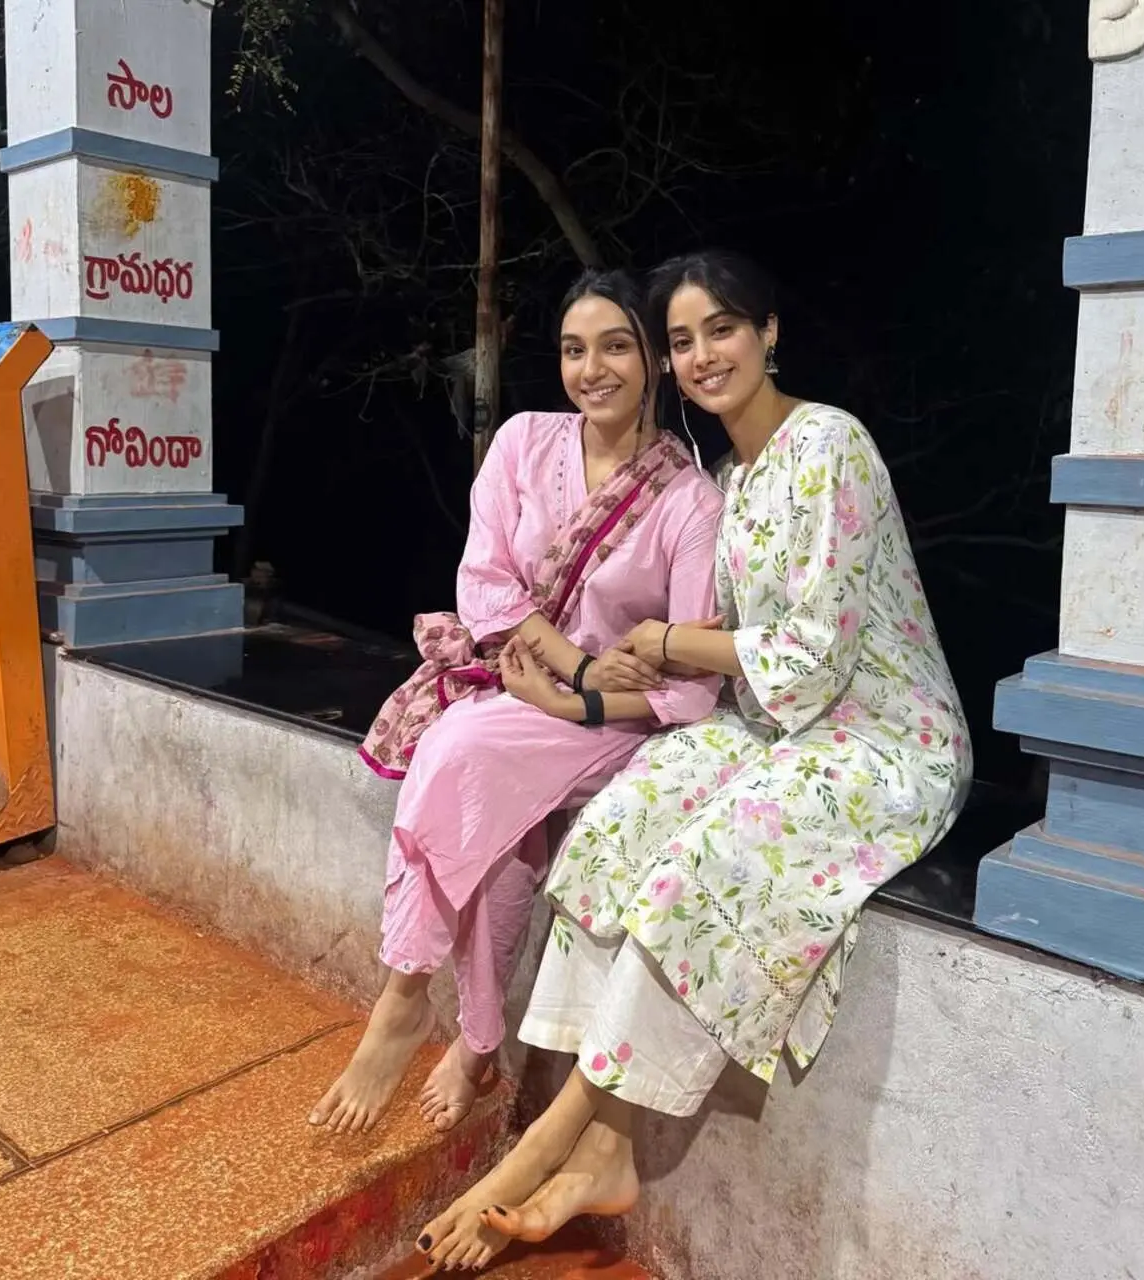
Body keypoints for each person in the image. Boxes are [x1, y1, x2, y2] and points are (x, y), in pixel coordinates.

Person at [413, 250, 972, 1272]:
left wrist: (666, 643)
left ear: (768, 333)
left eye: (721, 327)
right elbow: (741, 664)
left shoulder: (830, 446)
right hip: (775, 724)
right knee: (623, 821)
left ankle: (560, 1135)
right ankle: (608, 1149)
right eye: (681, 338)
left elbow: (805, 660)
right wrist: (622, 663)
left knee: (702, 862)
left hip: (880, 737)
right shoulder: (728, 476)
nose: (702, 352)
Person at [308, 268, 724, 1137]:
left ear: (653, 359)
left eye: (617, 346)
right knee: (491, 840)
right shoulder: (526, 443)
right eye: (575, 349)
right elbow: (487, 583)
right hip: (530, 681)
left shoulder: (690, 502)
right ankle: (475, 1042)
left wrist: (582, 706)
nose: (593, 368)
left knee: (458, 755)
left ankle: (406, 995)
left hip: (618, 723)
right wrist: (572, 668)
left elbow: (690, 681)